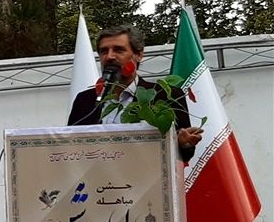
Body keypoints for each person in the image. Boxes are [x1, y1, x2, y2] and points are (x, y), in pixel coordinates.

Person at [67, 24, 203, 163]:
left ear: (138, 55)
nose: (109, 57)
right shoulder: (85, 100)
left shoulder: (165, 95)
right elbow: (68, 147)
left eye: (119, 50)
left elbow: (186, 154)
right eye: (103, 51)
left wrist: (181, 142)